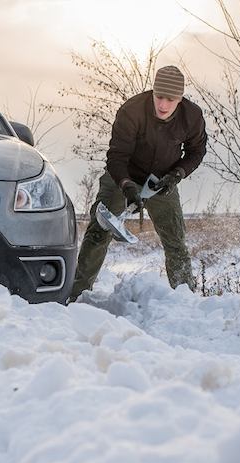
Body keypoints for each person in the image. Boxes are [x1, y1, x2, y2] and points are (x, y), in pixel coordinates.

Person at [69, 65, 207, 301]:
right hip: (123, 175)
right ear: (153, 92)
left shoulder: (191, 117)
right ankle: (76, 295)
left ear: (180, 99)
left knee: (176, 241)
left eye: (170, 99)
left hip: (162, 181)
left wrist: (177, 174)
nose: (163, 105)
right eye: (159, 97)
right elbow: (116, 156)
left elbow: (197, 151)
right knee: (99, 231)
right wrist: (126, 185)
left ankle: (186, 301)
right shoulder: (132, 111)